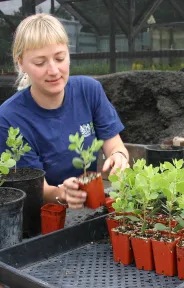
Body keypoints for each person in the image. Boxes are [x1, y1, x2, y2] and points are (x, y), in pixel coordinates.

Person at [0, 14, 129, 209]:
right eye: (40, 62)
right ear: (21, 63)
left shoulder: (89, 90)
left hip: (89, 207)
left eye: (59, 58)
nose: (53, 70)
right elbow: (34, 187)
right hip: (42, 215)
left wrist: (119, 156)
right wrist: (61, 193)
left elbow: (115, 145)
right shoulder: (9, 118)